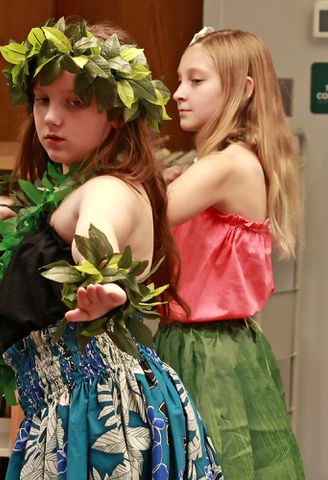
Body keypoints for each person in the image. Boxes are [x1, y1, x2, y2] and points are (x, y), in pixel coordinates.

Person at [0, 18, 222, 479]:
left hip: (99, 415)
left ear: (116, 114)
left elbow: (93, 240)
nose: (51, 117)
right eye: (42, 100)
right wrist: (13, 207)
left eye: (74, 103)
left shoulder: (108, 190)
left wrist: (98, 280)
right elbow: (58, 213)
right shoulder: (77, 184)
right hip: (74, 406)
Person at [155, 27, 305, 479]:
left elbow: (143, 217)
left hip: (207, 354)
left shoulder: (227, 165)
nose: (178, 94)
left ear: (243, 90)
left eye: (196, 81)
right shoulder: (223, 161)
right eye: (180, 80)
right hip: (212, 346)